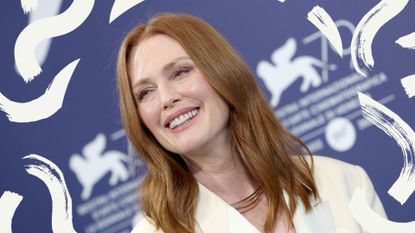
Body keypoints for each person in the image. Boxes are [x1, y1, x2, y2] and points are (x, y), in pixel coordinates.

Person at [116, 13, 386, 233]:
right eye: (145, 93)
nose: (166, 98)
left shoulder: (343, 181)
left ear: (224, 73)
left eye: (180, 72)